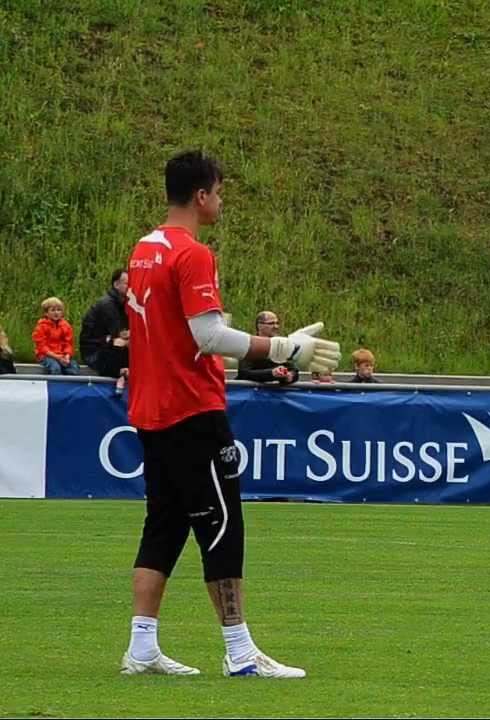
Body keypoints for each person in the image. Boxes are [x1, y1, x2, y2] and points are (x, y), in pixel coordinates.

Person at [120, 150, 339, 679]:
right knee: (222, 526)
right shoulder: (192, 253)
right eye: (218, 191)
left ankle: (142, 646)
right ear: (201, 195)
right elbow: (208, 336)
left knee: (164, 525)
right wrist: (284, 348)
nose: (221, 200)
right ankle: (240, 652)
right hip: (191, 409)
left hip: (152, 410)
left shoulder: (143, 249)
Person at [80, 269, 131, 381]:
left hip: (106, 343)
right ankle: (118, 371)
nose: (132, 287)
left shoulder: (125, 303)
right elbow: (119, 334)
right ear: (116, 284)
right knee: (121, 342)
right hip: (94, 352)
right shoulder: (107, 305)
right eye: (128, 283)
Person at [234, 311, 299, 386]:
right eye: (271, 323)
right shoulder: (250, 344)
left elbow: (294, 371)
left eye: (277, 323)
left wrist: (290, 376)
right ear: (259, 325)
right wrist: (272, 373)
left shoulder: (282, 344)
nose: (276, 327)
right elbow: (244, 374)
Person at [32, 297, 80, 375]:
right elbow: (41, 346)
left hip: (62, 355)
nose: (56, 313)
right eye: (53, 310)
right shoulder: (41, 326)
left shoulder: (66, 325)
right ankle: (55, 385)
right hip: (46, 355)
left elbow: (68, 343)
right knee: (55, 368)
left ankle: (68, 385)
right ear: (46, 313)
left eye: (59, 310)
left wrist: (67, 356)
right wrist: (56, 357)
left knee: (74, 368)